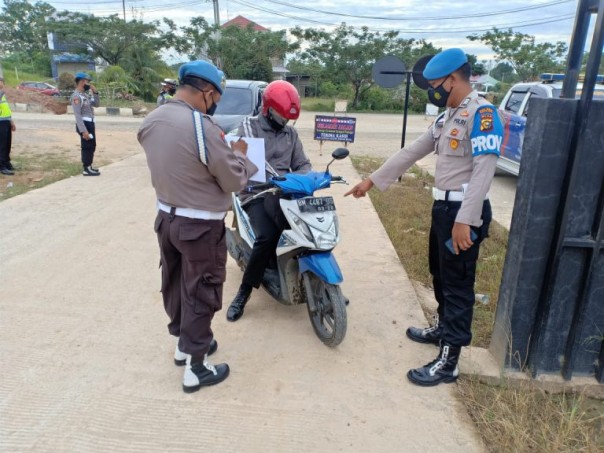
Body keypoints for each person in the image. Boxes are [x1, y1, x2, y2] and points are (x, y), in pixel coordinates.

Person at [345, 48, 503, 387]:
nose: (432, 91)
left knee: (458, 285)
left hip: (463, 212)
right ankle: (443, 329)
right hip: (443, 209)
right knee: (440, 275)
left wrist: (467, 219)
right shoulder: (448, 116)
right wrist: (372, 180)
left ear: (454, 79)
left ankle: (450, 362)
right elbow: (412, 150)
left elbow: (483, 170)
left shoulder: (483, 114)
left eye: (435, 85)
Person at [138, 60, 258, 393]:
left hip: (167, 218)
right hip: (200, 226)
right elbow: (233, 180)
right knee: (202, 292)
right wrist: (241, 157)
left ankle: (183, 344)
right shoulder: (202, 127)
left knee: (176, 284)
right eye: (216, 96)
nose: (216, 103)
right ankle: (197, 368)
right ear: (207, 92)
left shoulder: (153, 118)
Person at [226, 80, 312, 322]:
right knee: (267, 235)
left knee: (309, 228)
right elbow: (248, 159)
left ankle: (321, 281)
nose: (285, 122)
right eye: (281, 116)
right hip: (257, 192)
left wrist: (303, 176)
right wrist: (273, 177)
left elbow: (303, 164)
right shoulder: (249, 127)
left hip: (286, 192)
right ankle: (244, 292)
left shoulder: (291, 134)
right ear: (268, 109)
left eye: (288, 118)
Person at [71, 72, 100, 176]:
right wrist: (84, 131)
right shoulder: (76, 96)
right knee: (87, 146)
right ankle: (86, 168)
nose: (89, 84)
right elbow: (77, 115)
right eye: (87, 82)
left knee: (92, 145)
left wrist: (95, 92)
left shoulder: (84, 95)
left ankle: (89, 166)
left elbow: (96, 104)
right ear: (82, 82)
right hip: (84, 124)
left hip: (90, 123)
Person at [0, 76, 16, 176]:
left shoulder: (2, 95)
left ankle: (6, 162)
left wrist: (11, 122)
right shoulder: (1, 94)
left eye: (2, 82)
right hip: (0, 123)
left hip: (6, 121)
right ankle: (1, 166)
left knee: (7, 144)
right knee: (1, 145)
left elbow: (6, 109)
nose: (1, 83)